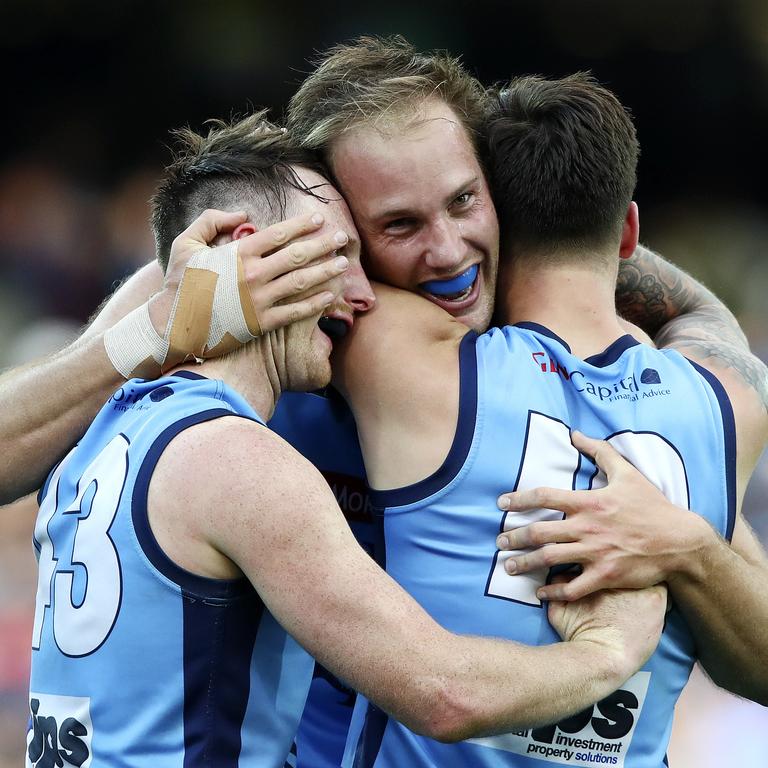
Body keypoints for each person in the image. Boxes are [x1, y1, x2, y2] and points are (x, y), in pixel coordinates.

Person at [1, 35, 764, 767]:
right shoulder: (225, 316)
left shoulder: (537, 341)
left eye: (465, 201)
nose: (448, 253)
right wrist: (158, 331)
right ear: (330, 225)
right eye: (397, 224)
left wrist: (689, 547)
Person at [332, 72, 768, 767]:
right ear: (627, 230)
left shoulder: (406, 360)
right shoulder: (730, 397)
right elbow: (702, 310)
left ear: (493, 217)